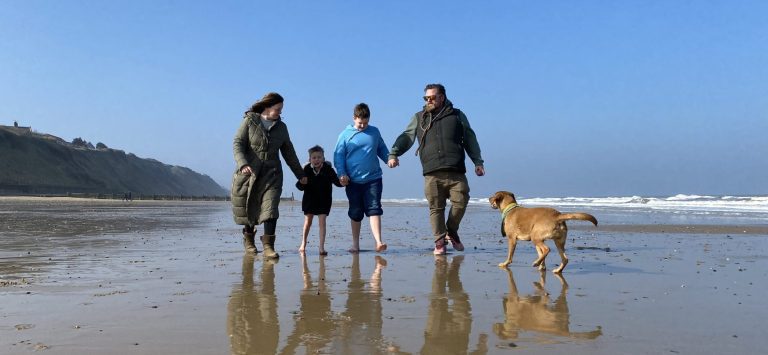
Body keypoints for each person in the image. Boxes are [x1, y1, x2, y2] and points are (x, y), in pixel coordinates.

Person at [387, 83, 485, 255]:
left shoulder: (457, 115)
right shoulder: (419, 117)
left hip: (456, 170)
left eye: (432, 97)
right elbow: (406, 137)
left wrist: (478, 161)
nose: (428, 100)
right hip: (432, 171)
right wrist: (394, 153)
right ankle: (440, 242)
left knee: (461, 201)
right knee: (436, 208)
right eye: (426, 98)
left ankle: (452, 231)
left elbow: (470, 139)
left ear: (442, 97)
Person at [232, 92, 307, 259]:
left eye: (281, 110)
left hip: (272, 173)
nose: (280, 112)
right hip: (250, 172)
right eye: (278, 109)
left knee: (271, 209)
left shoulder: (282, 128)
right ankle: (249, 241)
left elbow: (289, 153)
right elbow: (238, 143)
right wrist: (243, 163)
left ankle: (268, 247)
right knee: (248, 206)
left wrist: (300, 174)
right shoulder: (249, 121)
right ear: (267, 106)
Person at [333, 103, 389, 253]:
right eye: (359, 123)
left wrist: (389, 159)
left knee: (374, 208)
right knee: (356, 212)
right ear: (354, 118)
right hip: (353, 181)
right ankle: (355, 244)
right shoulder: (345, 134)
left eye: (365, 123)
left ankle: (378, 242)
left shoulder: (374, 132)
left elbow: (382, 148)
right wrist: (341, 174)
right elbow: (338, 156)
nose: (362, 126)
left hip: (374, 178)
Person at [296, 145, 342, 255]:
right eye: (314, 157)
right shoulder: (306, 169)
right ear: (310, 159)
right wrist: (302, 182)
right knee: (308, 222)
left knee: (322, 223)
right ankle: (303, 243)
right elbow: (299, 186)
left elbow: (337, 182)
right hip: (309, 200)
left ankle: (321, 247)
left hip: (324, 200)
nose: (317, 160)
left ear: (323, 158)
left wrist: (344, 182)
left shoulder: (328, 169)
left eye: (319, 157)